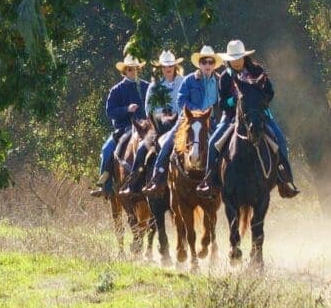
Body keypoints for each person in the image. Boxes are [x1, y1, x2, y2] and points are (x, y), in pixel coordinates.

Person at [213, 39, 297, 198]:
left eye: (238, 58)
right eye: (233, 59)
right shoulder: (225, 77)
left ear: (244, 57)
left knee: (280, 138)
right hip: (232, 117)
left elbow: (270, 92)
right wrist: (235, 100)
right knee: (213, 143)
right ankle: (210, 180)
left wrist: (258, 102)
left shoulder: (257, 71)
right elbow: (222, 103)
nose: (236, 62)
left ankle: (284, 180)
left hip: (259, 114)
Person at [147, 46, 224, 186]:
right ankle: (157, 176)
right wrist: (197, 112)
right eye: (204, 62)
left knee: (224, 145)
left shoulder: (220, 81)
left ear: (214, 64)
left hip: (209, 120)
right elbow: (181, 100)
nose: (207, 65)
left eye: (210, 62)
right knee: (168, 142)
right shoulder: (189, 80)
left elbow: (222, 102)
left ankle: (222, 180)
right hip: (187, 120)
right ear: (199, 64)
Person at [92, 56, 149, 198]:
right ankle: (104, 185)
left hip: (145, 130)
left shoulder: (147, 87)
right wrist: (126, 109)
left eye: (136, 68)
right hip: (124, 129)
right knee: (107, 151)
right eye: (130, 69)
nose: (133, 71)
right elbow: (110, 112)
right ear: (124, 71)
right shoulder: (116, 90)